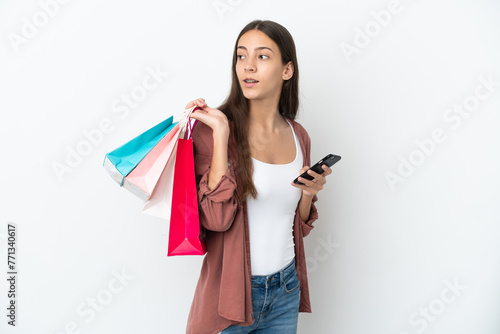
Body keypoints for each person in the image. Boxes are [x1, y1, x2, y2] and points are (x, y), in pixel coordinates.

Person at [185, 20, 333, 334]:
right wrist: (223, 133)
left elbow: (296, 225)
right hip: (231, 299)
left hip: (286, 292)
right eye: (241, 56)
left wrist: (307, 194)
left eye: (262, 57)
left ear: (287, 70)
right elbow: (215, 219)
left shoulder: (299, 135)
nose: (248, 66)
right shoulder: (212, 132)